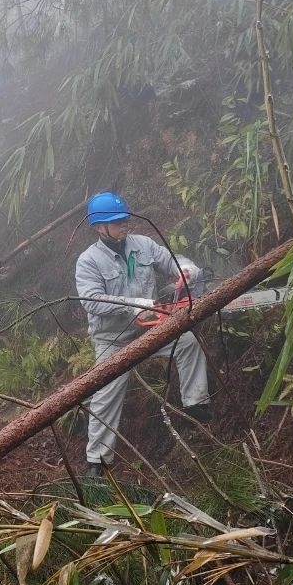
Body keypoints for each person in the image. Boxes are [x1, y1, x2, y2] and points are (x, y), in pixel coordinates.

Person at [75, 191, 210, 476]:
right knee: (106, 391)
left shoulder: (143, 245)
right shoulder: (89, 261)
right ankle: (97, 462)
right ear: (100, 228)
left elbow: (170, 260)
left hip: (150, 328)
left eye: (125, 219)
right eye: (117, 222)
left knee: (187, 343)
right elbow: (91, 300)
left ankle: (197, 409)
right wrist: (132, 305)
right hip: (112, 338)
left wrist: (185, 268)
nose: (124, 225)